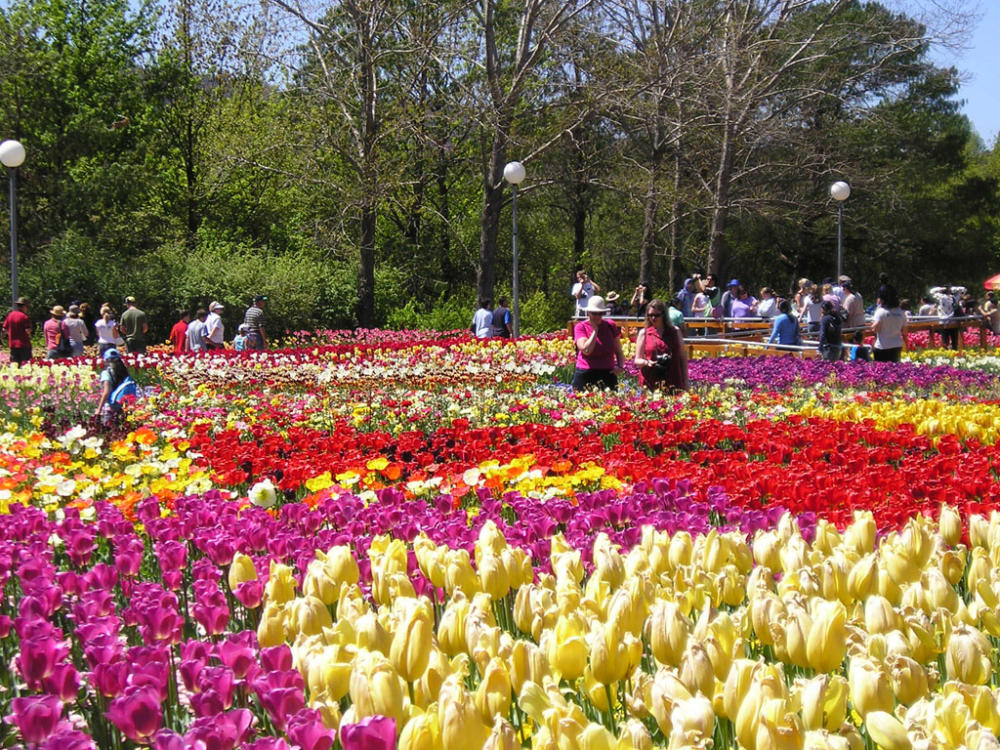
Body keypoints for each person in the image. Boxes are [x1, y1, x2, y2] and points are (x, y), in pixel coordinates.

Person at [634, 298, 688, 392]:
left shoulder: (675, 332)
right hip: (650, 380)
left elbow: (683, 358)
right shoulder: (644, 333)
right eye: (650, 315)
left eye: (656, 315)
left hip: (673, 378)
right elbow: (637, 360)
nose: (653, 318)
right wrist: (648, 362)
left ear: (663, 315)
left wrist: (686, 381)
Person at [572, 296, 624, 390]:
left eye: (600, 313)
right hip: (585, 373)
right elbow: (586, 350)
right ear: (588, 313)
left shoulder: (610, 325)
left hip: (608, 373)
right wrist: (595, 331)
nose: (597, 316)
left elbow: (618, 350)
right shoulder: (580, 327)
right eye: (594, 313)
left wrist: (620, 366)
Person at [93, 348, 137, 425]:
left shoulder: (106, 373)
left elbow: (106, 392)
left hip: (111, 406)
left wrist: (99, 409)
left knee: (110, 428)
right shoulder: (124, 371)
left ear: (105, 360)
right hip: (124, 405)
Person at [872, 291, 907, 362]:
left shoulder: (880, 312)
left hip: (882, 346)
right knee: (895, 369)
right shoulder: (901, 313)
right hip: (896, 345)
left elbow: (874, 328)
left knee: (880, 369)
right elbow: (905, 331)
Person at [2, 297, 32, 365]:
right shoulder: (24, 317)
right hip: (24, 345)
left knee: (15, 366)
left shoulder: (10, 315)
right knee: (25, 366)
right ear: (24, 306)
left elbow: (4, 329)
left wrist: (12, 333)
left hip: (12, 345)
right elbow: (27, 331)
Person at [842, 280, 865, 344]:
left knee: (852, 344)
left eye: (844, 289)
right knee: (860, 343)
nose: (843, 291)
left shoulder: (850, 298)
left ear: (846, 289)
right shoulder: (859, 295)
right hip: (861, 322)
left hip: (853, 325)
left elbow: (847, 314)